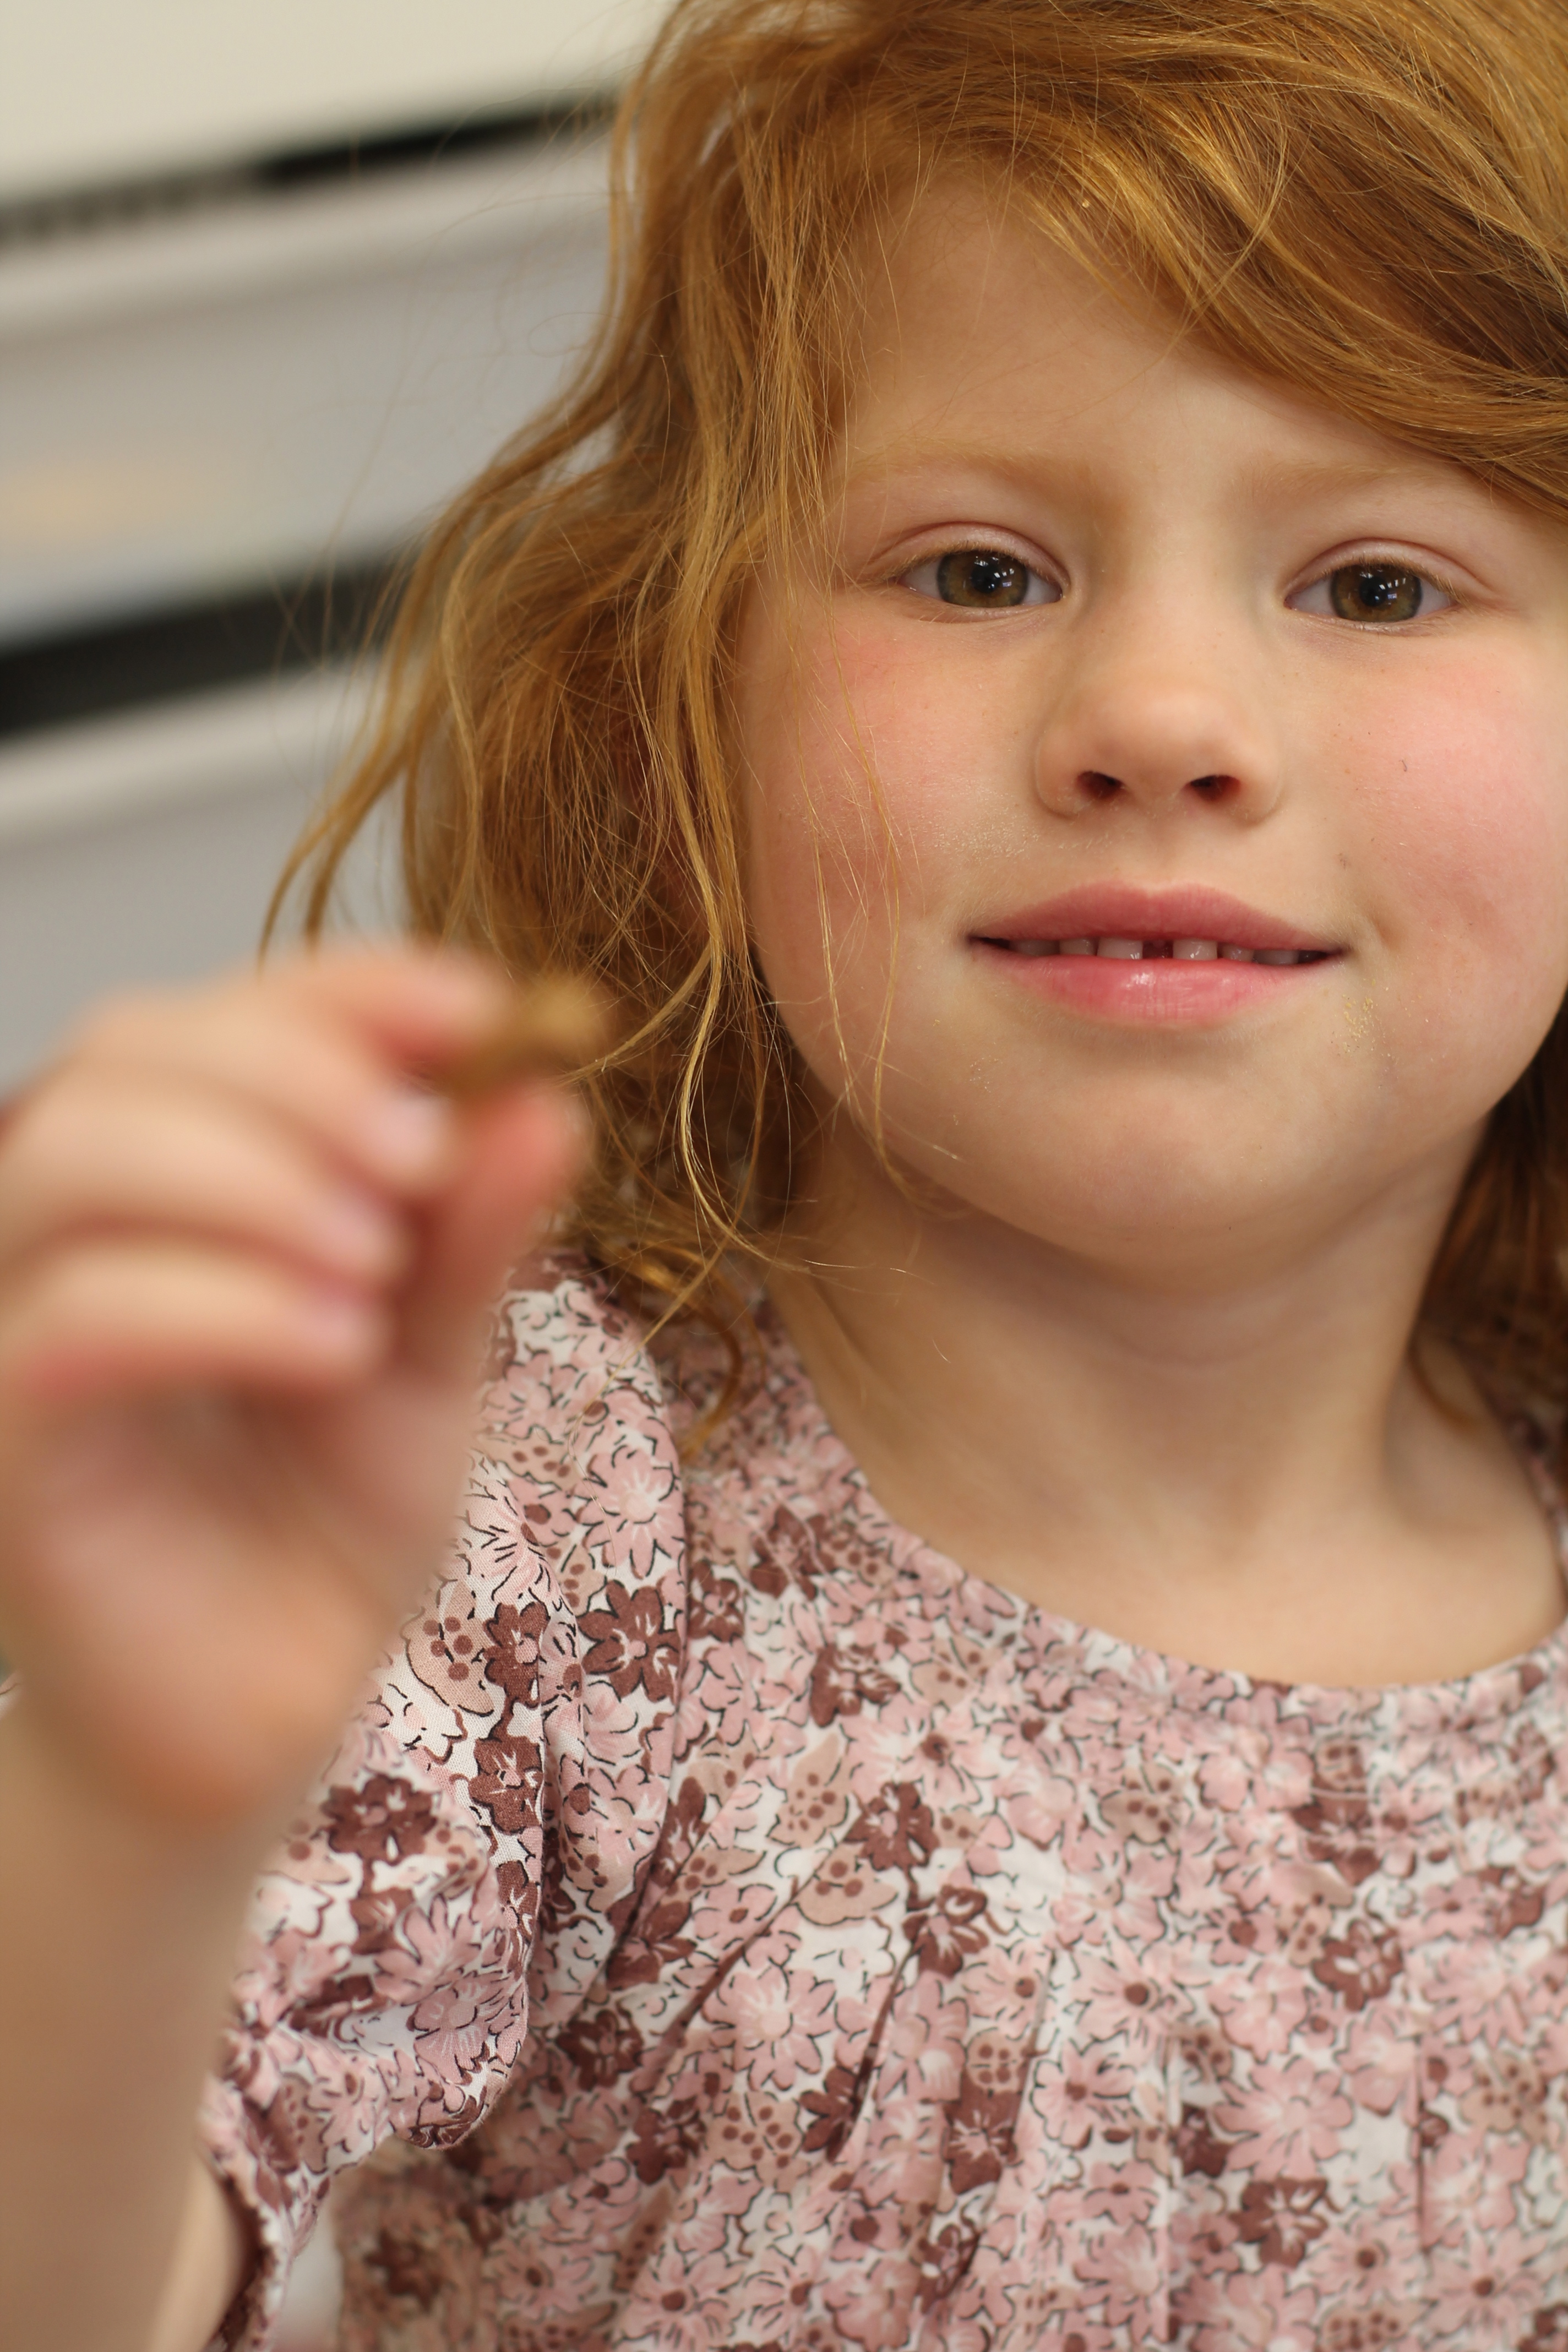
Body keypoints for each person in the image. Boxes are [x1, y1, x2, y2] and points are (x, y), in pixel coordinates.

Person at [7, 0, 1568, 2344]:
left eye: (1376, 586)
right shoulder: (516, 1525)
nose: (1160, 719)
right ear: (678, 705)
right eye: (975, 573)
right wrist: (127, 1823)